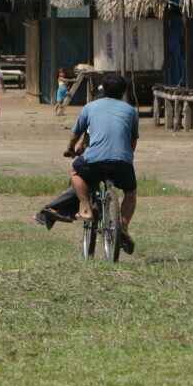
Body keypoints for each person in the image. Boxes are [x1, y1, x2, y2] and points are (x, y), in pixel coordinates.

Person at [62, 72, 138, 254]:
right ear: (123, 92)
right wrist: (127, 156)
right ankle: (123, 226)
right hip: (122, 159)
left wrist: (70, 148)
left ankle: (87, 210)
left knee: (75, 171)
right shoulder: (130, 111)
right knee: (130, 191)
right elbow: (132, 140)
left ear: (103, 88)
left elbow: (76, 134)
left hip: (95, 158)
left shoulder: (90, 107)